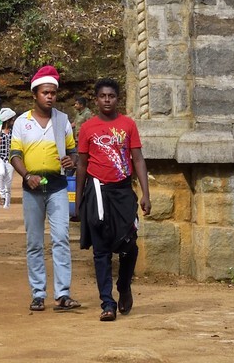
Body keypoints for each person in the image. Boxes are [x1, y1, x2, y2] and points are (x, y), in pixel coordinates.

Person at [75, 77, 151, 321]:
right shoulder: (88, 127)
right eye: (102, 96)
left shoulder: (128, 125)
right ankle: (107, 303)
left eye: (112, 96)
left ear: (118, 99)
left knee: (130, 245)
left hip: (123, 192)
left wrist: (145, 194)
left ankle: (124, 285)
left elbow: (137, 159)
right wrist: (78, 202)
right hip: (97, 192)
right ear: (96, 100)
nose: (107, 100)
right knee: (101, 251)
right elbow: (82, 165)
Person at [8, 64, 82, 312]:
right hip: (32, 189)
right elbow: (15, 154)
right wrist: (27, 175)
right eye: (45, 92)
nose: (50, 96)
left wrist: (73, 160)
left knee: (61, 238)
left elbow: (73, 152)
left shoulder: (62, 121)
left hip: (58, 186)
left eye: (53, 92)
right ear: (35, 94)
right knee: (34, 242)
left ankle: (62, 294)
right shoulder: (22, 122)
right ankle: (38, 293)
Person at [0, 107, 16, 207]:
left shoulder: (14, 132)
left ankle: (7, 202)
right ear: (8, 120)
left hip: (11, 159)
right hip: (0, 158)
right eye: (12, 119)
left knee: (9, 180)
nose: (13, 121)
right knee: (1, 173)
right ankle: (2, 196)